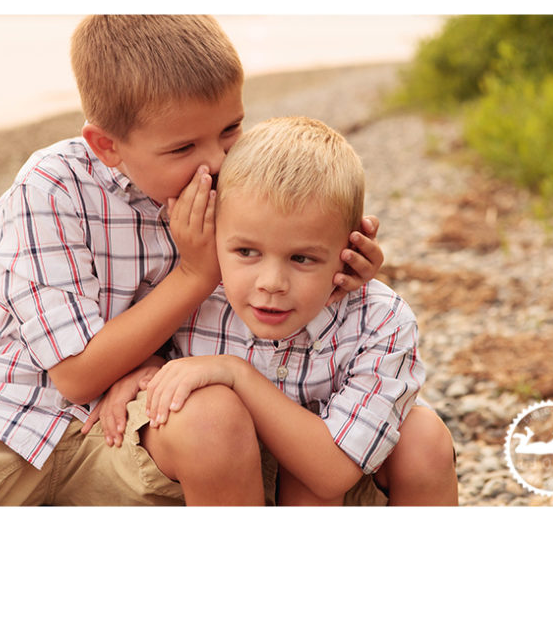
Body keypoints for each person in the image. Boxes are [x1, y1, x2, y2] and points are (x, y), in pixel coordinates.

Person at [0, 15, 383, 506]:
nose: (217, 161)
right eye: (184, 146)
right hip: (7, 409)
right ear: (108, 145)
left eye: (231, 129)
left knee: (213, 418)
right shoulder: (53, 187)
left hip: (138, 424)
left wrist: (340, 276)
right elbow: (74, 375)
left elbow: (280, 286)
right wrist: (196, 272)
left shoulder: (238, 182)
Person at [89, 117, 458, 505]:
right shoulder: (196, 293)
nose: (271, 282)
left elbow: (332, 475)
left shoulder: (381, 322)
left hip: (336, 481)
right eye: (247, 252)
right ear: (215, 233)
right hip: (224, 478)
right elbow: (148, 341)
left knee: (424, 437)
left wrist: (236, 374)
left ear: (351, 251)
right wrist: (147, 366)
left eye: (301, 258)